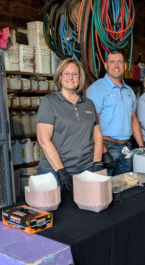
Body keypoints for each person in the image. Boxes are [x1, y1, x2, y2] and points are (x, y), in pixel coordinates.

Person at [36, 58, 103, 193]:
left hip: (86, 169)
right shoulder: (49, 102)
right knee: (56, 213)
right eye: (66, 74)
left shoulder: (88, 103)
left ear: (80, 77)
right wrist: (61, 172)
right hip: (55, 172)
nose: (70, 77)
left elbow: (97, 136)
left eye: (75, 74)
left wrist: (97, 164)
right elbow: (44, 140)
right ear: (60, 77)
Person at [86, 50, 144, 175]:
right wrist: (104, 151)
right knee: (106, 190)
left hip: (126, 147)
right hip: (107, 145)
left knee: (126, 186)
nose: (116, 65)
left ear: (124, 65)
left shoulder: (129, 91)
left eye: (120, 62)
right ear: (106, 65)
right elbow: (91, 124)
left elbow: (133, 119)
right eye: (112, 62)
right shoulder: (96, 89)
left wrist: (141, 147)